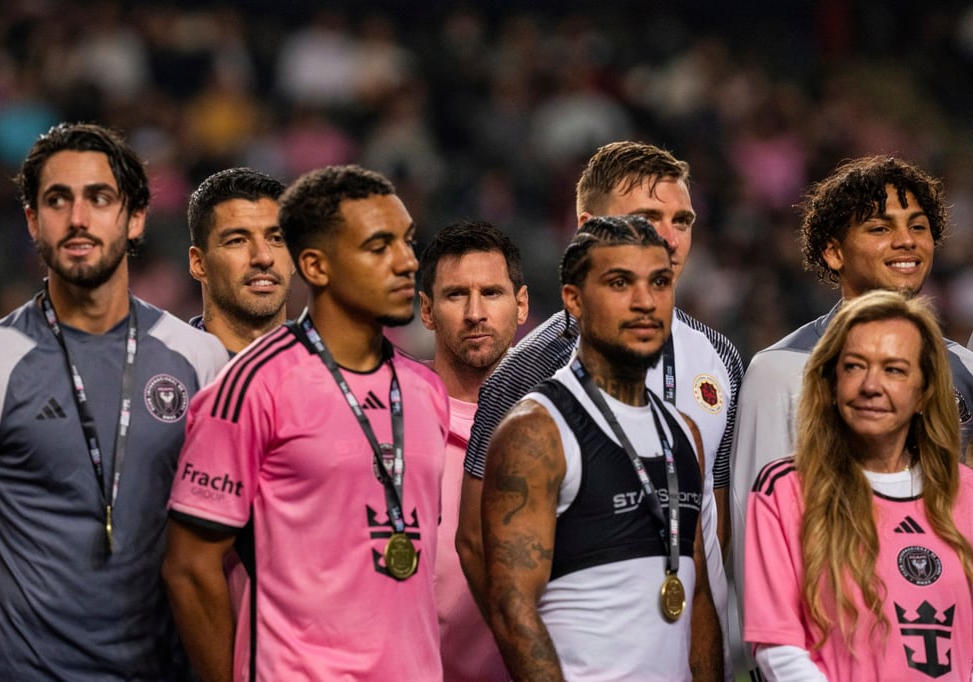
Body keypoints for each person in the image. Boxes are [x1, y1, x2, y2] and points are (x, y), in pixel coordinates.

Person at [0, 122, 229, 680]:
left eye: (99, 198)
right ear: (33, 220)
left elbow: (221, 547)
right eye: (57, 200)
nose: (78, 218)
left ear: (136, 217)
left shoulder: (201, 361)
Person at [457, 140, 742, 678]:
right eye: (647, 217)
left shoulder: (720, 356)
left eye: (682, 219)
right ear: (587, 225)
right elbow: (476, 543)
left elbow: (711, 523)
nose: (669, 236)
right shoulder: (524, 371)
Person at [162, 164, 450, 681]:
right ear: (316, 265)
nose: (408, 262)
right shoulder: (245, 386)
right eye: (379, 246)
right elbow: (188, 568)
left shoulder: (426, 391)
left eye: (407, 242)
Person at [730, 155, 973, 673]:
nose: (906, 241)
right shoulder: (780, 370)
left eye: (919, 227)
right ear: (834, 252)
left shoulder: (964, 369)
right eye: (880, 227)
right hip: (827, 650)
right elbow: (759, 542)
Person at [744, 290, 973, 680]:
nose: (871, 385)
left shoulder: (966, 493)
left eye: (894, 370)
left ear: (924, 392)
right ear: (830, 384)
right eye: (854, 366)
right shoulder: (785, 490)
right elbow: (779, 650)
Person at [417, 220, 528, 681]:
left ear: (521, 305)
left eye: (493, 293)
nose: (475, 312)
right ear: (426, 310)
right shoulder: (388, 414)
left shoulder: (557, 425)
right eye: (456, 294)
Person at [187, 167, 293, 355]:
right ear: (199, 264)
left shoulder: (337, 368)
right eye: (237, 241)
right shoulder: (163, 371)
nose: (264, 257)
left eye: (276, 239)